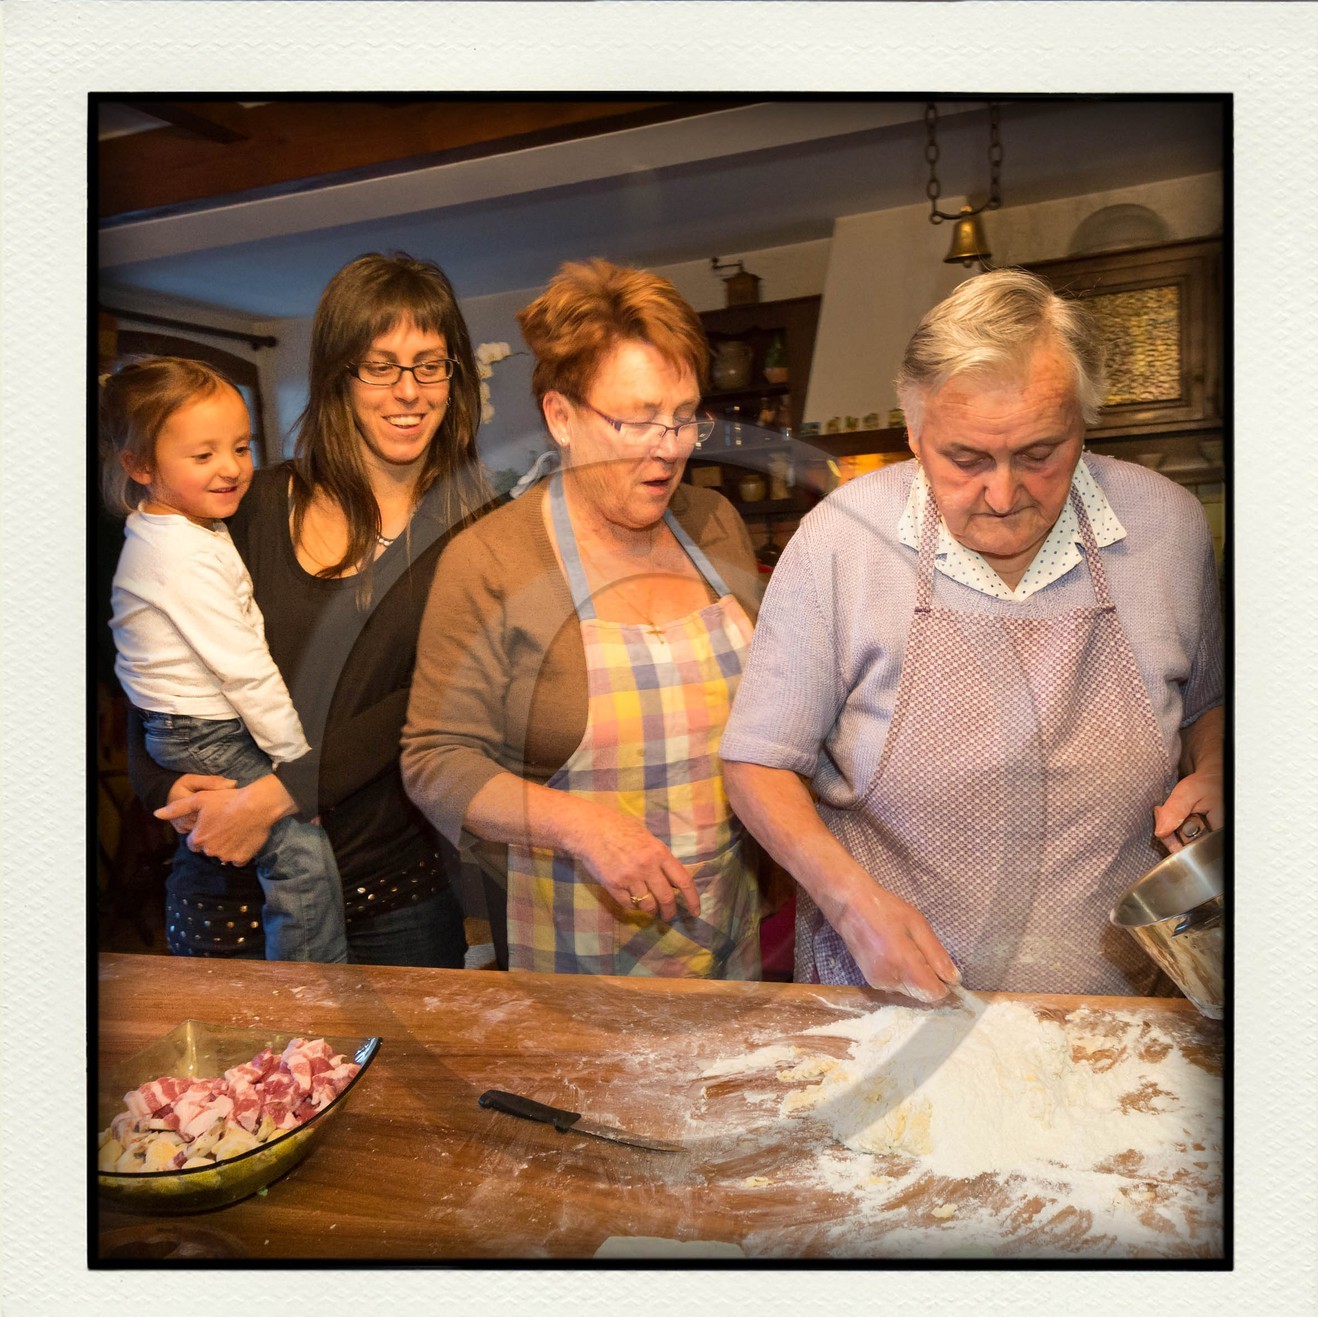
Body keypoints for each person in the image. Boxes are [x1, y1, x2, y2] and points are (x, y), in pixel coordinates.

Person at [721, 268, 1224, 1001]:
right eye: (966, 459)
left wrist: (1213, 771)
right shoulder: (841, 543)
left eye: (1040, 453)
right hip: (889, 1002)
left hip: (1121, 997)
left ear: (1085, 425)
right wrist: (849, 905)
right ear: (914, 435)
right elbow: (757, 763)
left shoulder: (1168, 528)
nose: (1003, 494)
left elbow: (1209, 701)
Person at [126, 251, 491, 965]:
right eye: (379, 365)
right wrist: (164, 783)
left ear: (455, 376)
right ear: (336, 377)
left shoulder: (478, 531)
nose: (408, 391)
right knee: (229, 1082)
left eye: (430, 364)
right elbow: (155, 657)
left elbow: (434, 699)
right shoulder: (245, 505)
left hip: (394, 899)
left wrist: (276, 793)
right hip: (229, 895)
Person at [401, 258, 763, 978]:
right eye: (636, 421)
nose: (669, 448)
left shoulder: (716, 523)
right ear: (561, 416)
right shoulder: (491, 561)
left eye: (685, 417)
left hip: (729, 924)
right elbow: (435, 761)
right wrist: (583, 827)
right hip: (574, 949)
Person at [105, 357, 346, 963]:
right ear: (138, 465)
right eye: (203, 454)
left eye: (240, 447)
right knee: (300, 856)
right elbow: (243, 668)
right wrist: (296, 763)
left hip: (194, 726)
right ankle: (312, 992)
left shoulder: (182, 530)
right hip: (203, 729)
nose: (233, 468)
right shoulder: (179, 553)